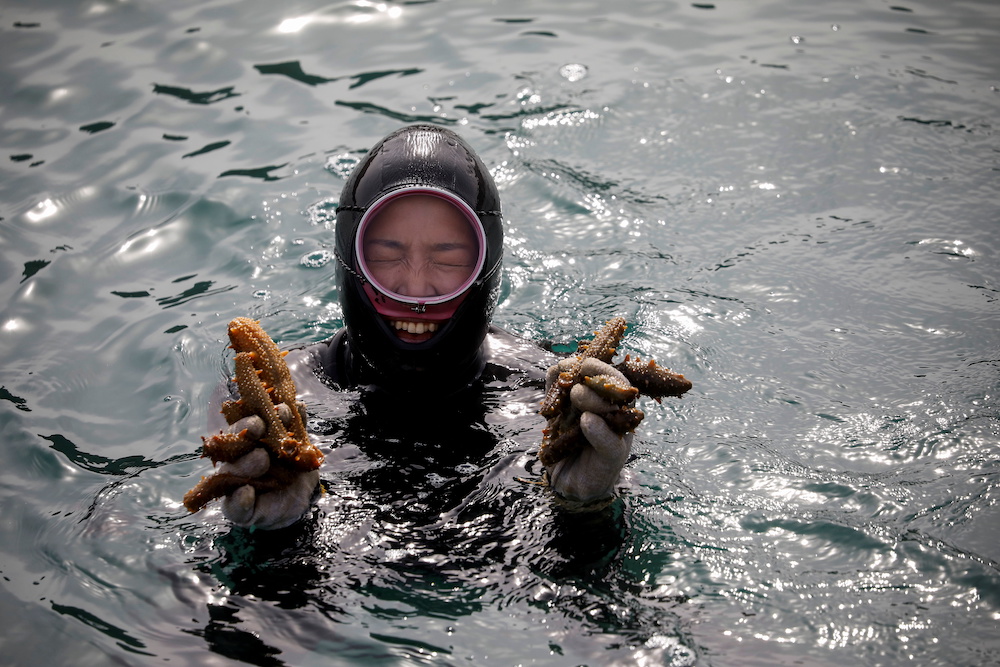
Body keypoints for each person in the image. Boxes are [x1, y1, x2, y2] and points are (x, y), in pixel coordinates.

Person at [206, 124, 641, 530]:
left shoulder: (547, 398)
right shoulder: (270, 404)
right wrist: (280, 530)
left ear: (487, 268)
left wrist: (588, 504)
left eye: (449, 259)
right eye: (386, 256)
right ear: (347, 260)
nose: (415, 290)